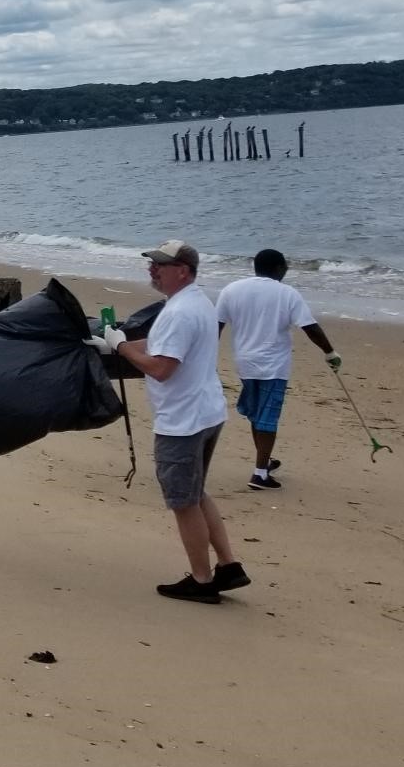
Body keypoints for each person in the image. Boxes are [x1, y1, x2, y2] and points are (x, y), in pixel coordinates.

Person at [104, 240, 243, 604]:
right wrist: (118, 341)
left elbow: (163, 368)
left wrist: (121, 349)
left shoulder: (181, 310)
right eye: (152, 263)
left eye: (161, 265)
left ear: (183, 270)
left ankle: (201, 579)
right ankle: (228, 566)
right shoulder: (193, 302)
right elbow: (159, 343)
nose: (153, 269)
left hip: (183, 420)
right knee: (195, 493)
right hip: (207, 411)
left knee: (183, 501)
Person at [215, 249, 340, 490]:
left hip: (245, 362)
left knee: (257, 415)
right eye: (285, 267)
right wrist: (330, 352)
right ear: (278, 268)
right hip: (273, 365)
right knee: (267, 418)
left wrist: (206, 358)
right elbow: (310, 327)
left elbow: (216, 326)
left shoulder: (232, 290)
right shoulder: (287, 293)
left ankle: (264, 461)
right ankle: (260, 473)